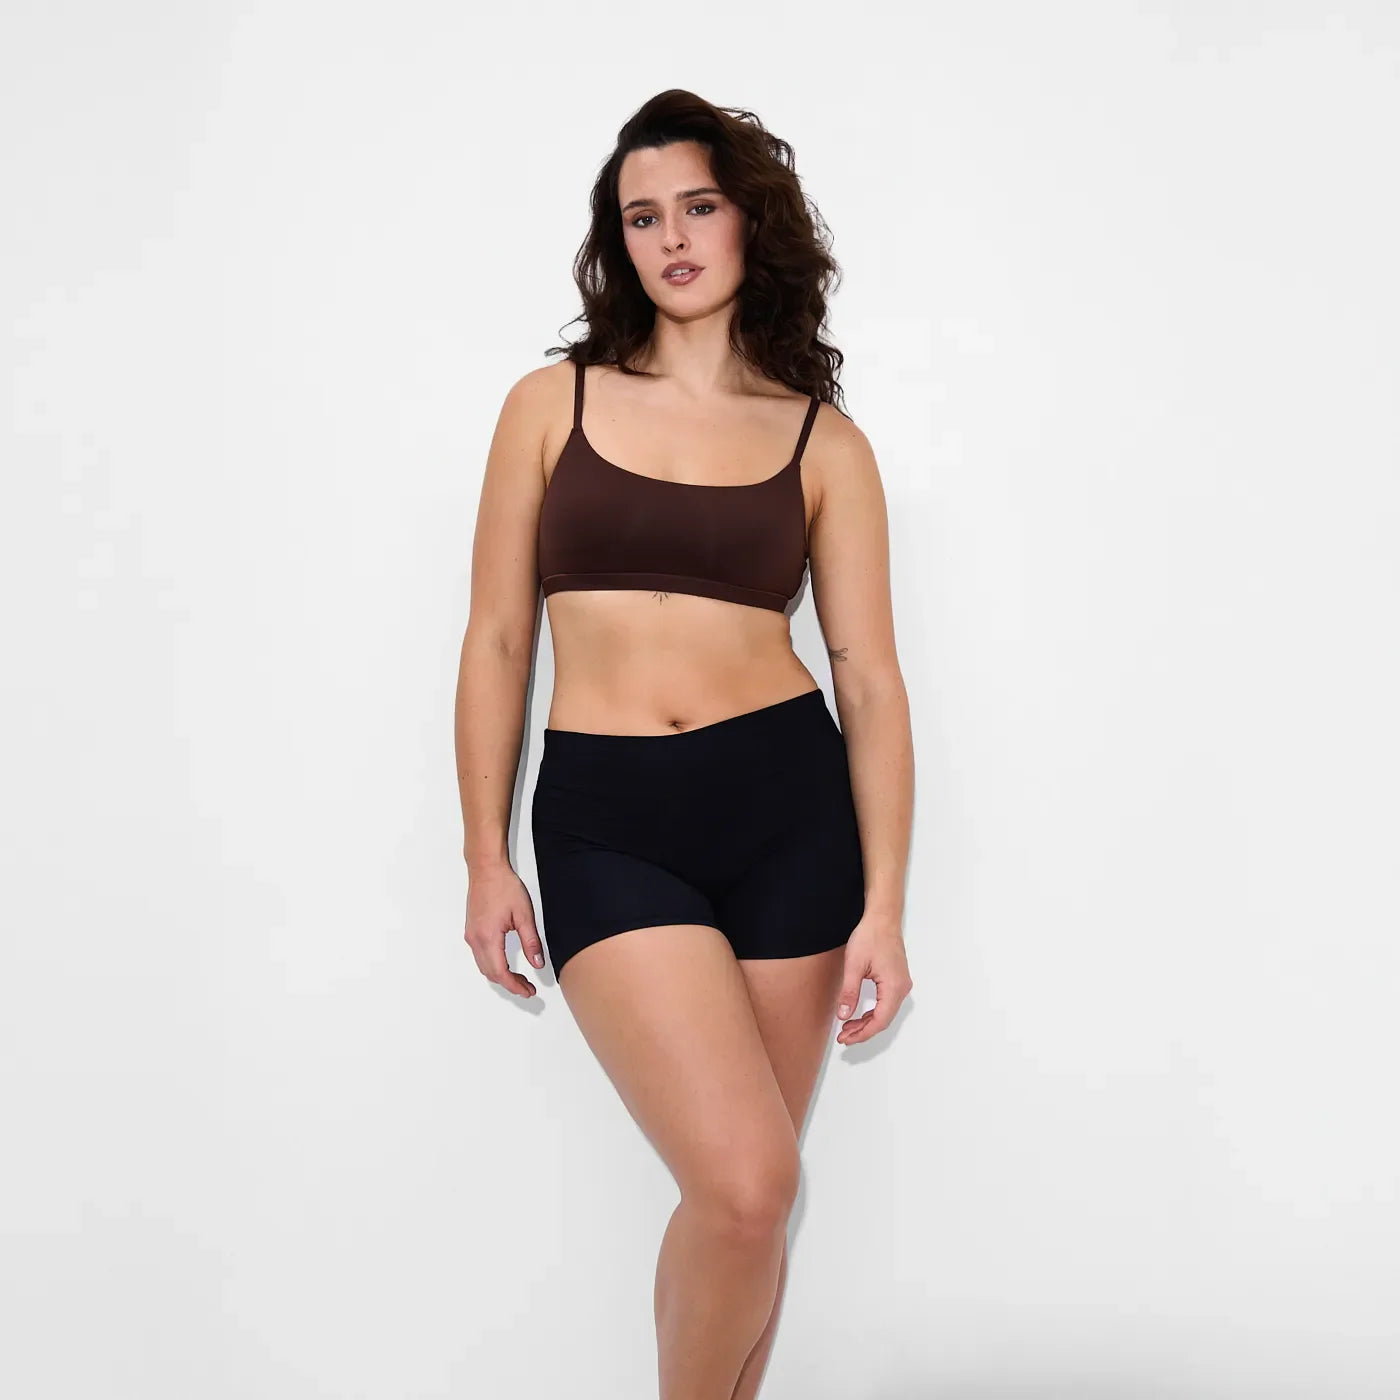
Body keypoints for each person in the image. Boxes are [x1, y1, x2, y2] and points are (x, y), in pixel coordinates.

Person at [455, 89, 915, 1398]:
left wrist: (884, 908)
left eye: (698, 207)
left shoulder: (824, 443)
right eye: (642, 216)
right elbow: (499, 638)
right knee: (747, 1179)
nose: (671, 238)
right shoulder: (551, 404)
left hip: (787, 820)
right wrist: (485, 855)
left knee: (749, 1209)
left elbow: (870, 682)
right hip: (610, 820)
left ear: (749, 223)